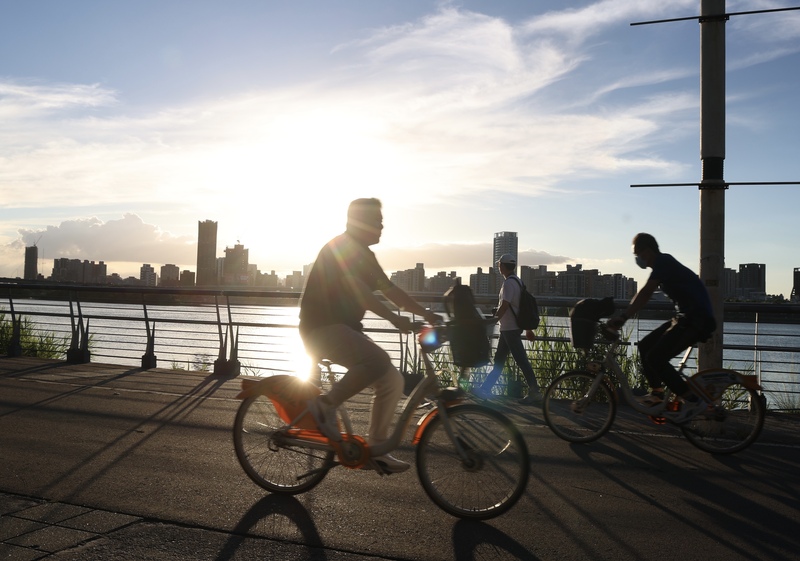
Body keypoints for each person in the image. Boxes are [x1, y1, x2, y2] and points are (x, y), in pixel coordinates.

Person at [299, 198, 441, 473]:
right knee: (378, 360)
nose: (382, 226)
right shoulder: (342, 248)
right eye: (377, 220)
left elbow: (391, 292)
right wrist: (394, 319)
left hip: (343, 329)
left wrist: (427, 314)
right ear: (360, 221)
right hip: (320, 328)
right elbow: (360, 292)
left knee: (392, 379)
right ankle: (324, 405)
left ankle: (377, 448)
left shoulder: (365, 254)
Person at [608, 233, 717, 423]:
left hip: (695, 319)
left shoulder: (663, 263)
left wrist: (624, 316)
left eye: (637, 253)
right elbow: (646, 293)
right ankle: (657, 394)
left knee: (656, 358)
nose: (636, 259)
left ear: (647, 251)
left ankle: (693, 401)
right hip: (685, 317)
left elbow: (645, 293)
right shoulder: (663, 264)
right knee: (644, 346)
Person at [472, 254, 542, 405]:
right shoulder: (518, 281)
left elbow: (505, 305)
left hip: (510, 328)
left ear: (502, 266)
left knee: (521, 360)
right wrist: (528, 328)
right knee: (499, 360)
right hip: (509, 328)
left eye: (499, 265)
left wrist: (493, 320)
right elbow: (520, 306)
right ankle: (485, 388)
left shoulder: (509, 284)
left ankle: (535, 391)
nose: (499, 267)